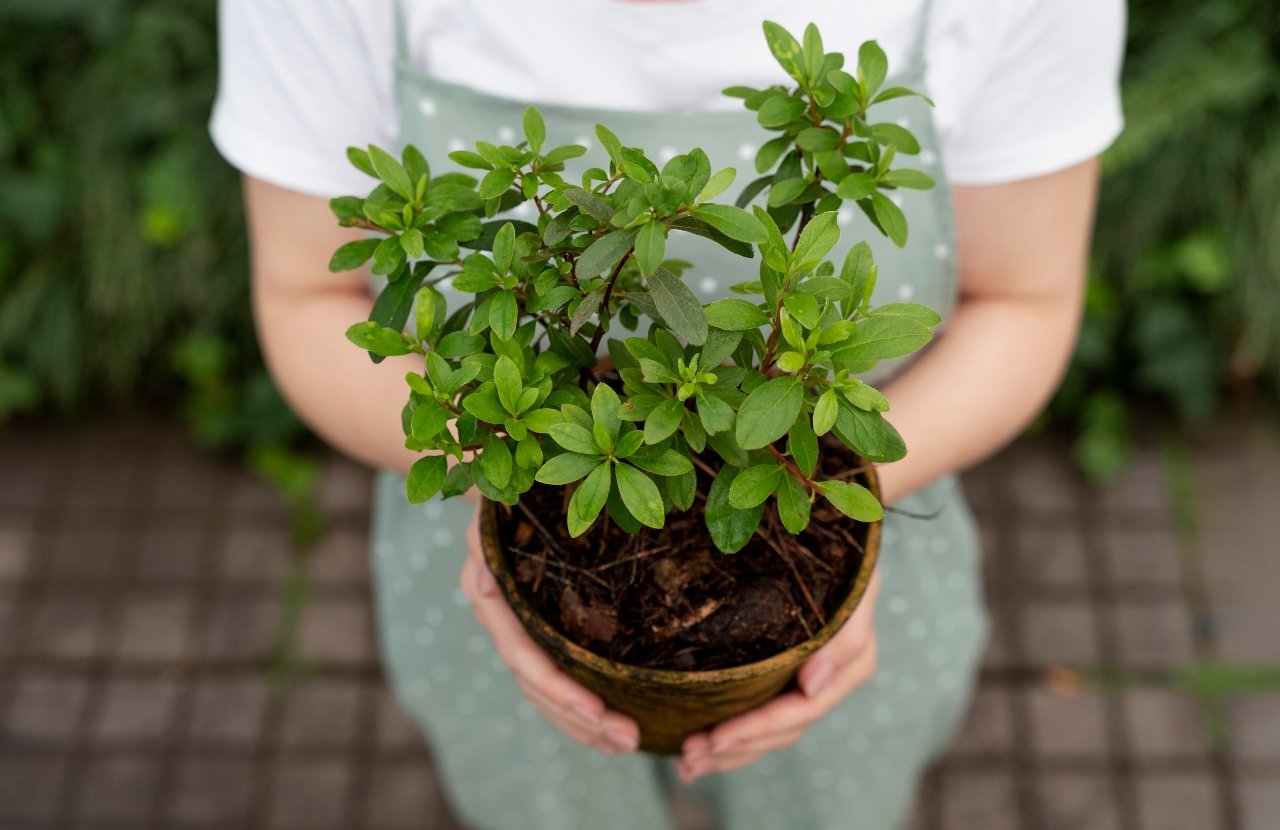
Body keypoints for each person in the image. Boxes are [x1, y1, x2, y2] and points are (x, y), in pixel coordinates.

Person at [211, 0, 1124, 827]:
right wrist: (493, 459)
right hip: (498, 523)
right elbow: (307, 297)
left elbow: (1023, 301)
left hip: (847, 524)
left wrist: (831, 472)